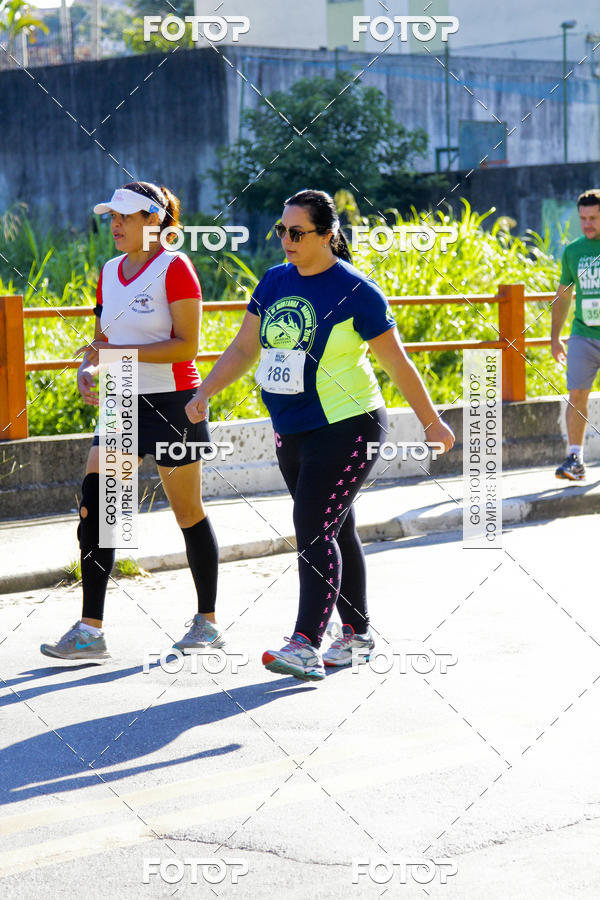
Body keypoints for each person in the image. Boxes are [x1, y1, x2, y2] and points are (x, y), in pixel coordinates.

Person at [186, 189, 454, 682]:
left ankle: (305, 643)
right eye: (280, 231)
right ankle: (357, 635)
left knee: (312, 526)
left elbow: (396, 362)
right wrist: (206, 390)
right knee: (334, 527)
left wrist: (431, 420)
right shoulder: (273, 281)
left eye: (297, 232)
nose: (285, 240)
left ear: (327, 235)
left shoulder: (356, 291)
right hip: (292, 429)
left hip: (348, 425)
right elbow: (245, 348)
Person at [41, 181, 223, 661]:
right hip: (121, 394)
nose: (115, 225)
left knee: (187, 513)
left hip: (175, 400)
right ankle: (90, 630)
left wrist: (113, 353)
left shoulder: (175, 267)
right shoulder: (108, 270)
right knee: (98, 510)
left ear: (154, 220)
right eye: (112, 217)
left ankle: (206, 622)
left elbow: (187, 346)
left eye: (125, 217)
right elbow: (101, 338)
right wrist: (89, 367)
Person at [552, 189, 600, 481]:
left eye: (593, 218)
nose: (587, 224)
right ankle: (575, 459)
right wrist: (554, 337)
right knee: (577, 394)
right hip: (583, 333)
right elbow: (563, 296)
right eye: (583, 218)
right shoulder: (573, 251)